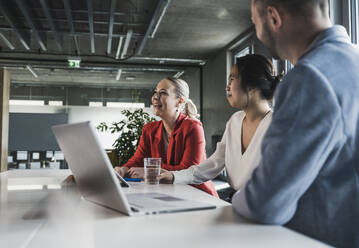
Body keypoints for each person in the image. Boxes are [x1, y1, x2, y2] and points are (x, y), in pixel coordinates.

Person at [232, 0, 359, 247]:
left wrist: (237, 198)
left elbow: (264, 203)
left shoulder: (310, 77)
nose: (256, 29)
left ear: (273, 18)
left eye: (254, 21)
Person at [159, 55, 280, 201]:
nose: (227, 86)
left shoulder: (276, 125)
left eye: (232, 79)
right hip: (237, 202)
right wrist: (174, 176)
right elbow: (214, 163)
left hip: (265, 206)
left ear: (252, 85)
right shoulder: (235, 121)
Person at [115, 77, 218, 197]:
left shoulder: (193, 127)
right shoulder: (149, 129)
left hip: (198, 195)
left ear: (179, 101)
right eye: (155, 92)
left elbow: (187, 171)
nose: (155, 97)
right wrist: (123, 170)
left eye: (163, 93)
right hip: (168, 194)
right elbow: (138, 160)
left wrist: (149, 171)